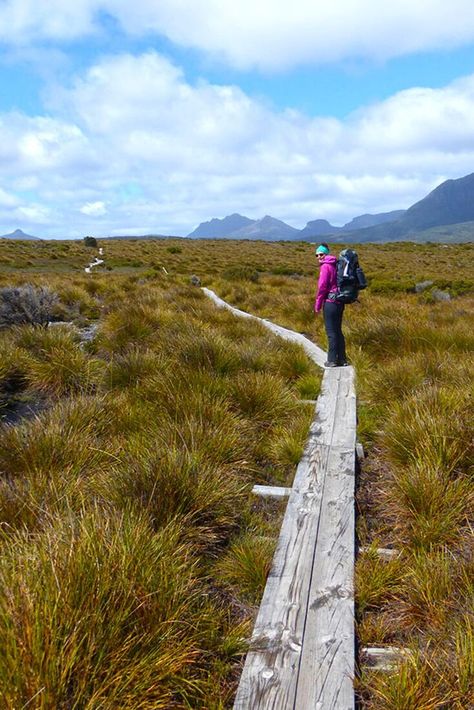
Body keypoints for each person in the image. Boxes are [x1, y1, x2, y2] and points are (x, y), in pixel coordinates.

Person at [314, 243, 347, 367]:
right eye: (316, 255)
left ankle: (332, 360)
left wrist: (318, 304)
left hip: (330, 302)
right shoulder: (336, 264)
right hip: (339, 301)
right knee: (338, 330)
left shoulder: (325, 267)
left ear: (326, 253)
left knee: (331, 332)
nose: (319, 257)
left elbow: (322, 287)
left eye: (321, 254)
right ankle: (342, 359)